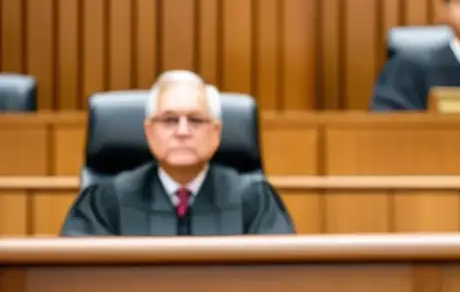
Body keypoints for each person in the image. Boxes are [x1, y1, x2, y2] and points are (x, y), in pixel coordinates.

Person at [60, 71, 295, 236]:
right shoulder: (106, 203)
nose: (182, 131)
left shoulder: (254, 202)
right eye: (169, 120)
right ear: (149, 132)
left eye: (196, 120)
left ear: (216, 133)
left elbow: (279, 281)